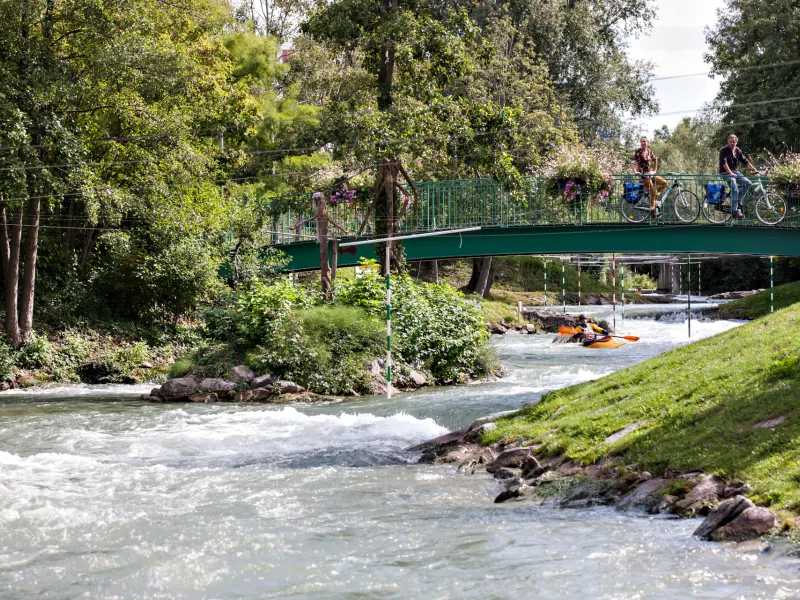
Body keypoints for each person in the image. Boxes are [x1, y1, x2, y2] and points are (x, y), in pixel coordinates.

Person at [719, 134, 757, 219]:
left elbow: (745, 161)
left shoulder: (737, 150)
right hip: (725, 173)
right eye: (730, 142)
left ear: (736, 142)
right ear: (728, 142)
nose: (732, 143)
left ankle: (738, 201)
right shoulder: (724, 150)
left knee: (748, 183)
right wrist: (730, 173)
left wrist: (754, 170)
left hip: (734, 172)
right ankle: (734, 211)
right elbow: (724, 163)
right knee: (735, 188)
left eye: (733, 142)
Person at [631, 136, 667, 219]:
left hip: (650, 175)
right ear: (640, 143)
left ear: (647, 143)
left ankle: (654, 198)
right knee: (652, 190)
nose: (643, 143)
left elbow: (655, 160)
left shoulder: (649, 151)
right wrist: (635, 172)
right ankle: (652, 210)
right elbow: (632, 163)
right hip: (643, 176)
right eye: (642, 142)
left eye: (645, 141)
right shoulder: (638, 152)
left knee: (664, 183)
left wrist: (654, 170)